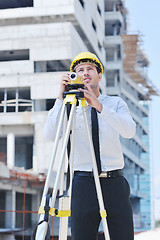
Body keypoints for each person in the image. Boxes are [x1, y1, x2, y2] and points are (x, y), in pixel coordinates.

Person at [43, 52, 136, 240]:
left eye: (89, 69)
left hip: (114, 183)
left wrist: (99, 106)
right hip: (83, 183)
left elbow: (129, 131)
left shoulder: (115, 103)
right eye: (79, 71)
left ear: (99, 75)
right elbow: (50, 134)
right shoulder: (68, 107)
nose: (85, 73)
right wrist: (60, 99)